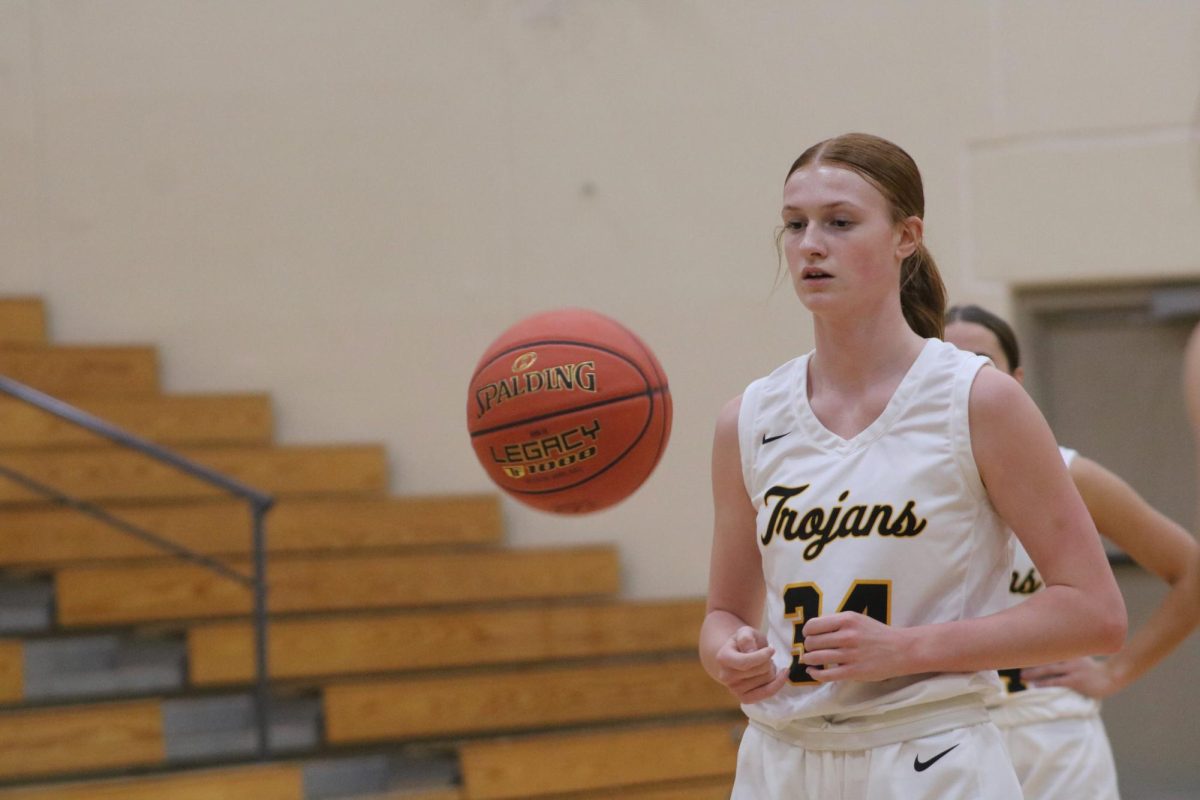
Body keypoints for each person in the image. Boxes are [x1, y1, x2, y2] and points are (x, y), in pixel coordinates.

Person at [699, 132, 1127, 800]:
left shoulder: (979, 400)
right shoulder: (747, 418)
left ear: (906, 236)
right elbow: (724, 611)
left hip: (931, 753)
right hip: (779, 759)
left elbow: (1095, 613)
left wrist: (909, 649)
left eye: (840, 222)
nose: (810, 243)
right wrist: (726, 653)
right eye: (795, 224)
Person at [945, 303, 1200, 800]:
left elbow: (1191, 569)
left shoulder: (1069, 473)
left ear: (1014, 380)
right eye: (946, 362)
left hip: (1052, 737)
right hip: (944, 732)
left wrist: (1117, 671)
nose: (961, 378)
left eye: (979, 362)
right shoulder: (894, 486)